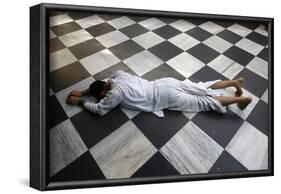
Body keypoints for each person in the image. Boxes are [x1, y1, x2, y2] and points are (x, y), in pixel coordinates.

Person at [66, 70, 252, 117]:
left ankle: (239, 99)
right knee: (201, 86)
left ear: (105, 90)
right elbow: (106, 79)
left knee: (204, 102)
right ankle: (234, 82)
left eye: (102, 94)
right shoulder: (118, 75)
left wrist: (81, 102)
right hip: (165, 82)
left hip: (164, 97)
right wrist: (84, 92)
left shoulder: (116, 92)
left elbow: (100, 109)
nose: (104, 97)